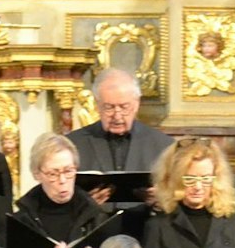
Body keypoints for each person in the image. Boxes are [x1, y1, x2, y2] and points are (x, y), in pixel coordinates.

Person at [141, 138, 235, 248]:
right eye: (190, 179)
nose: (198, 187)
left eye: (205, 179)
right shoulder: (158, 226)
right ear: (176, 180)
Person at [10, 133, 111, 248]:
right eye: (53, 174)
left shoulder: (96, 217)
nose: (62, 181)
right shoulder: (21, 222)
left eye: (68, 171)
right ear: (37, 174)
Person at [68, 68, 173, 207]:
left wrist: (162, 199)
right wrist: (83, 204)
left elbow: (177, 197)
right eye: (109, 107)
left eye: (124, 107)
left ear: (136, 104)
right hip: (92, 225)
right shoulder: (73, 144)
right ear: (97, 105)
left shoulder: (163, 146)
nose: (117, 116)